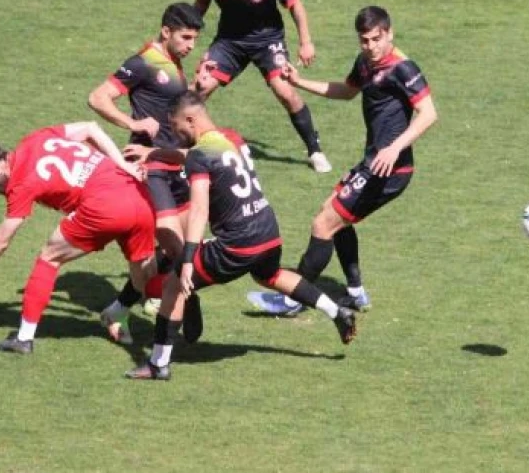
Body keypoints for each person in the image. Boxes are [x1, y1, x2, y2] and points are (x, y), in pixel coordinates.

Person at [125, 91, 357, 380]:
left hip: (238, 245)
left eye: (175, 127)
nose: (174, 134)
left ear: (190, 119)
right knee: (269, 276)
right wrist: (156, 154)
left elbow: (198, 210)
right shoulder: (230, 139)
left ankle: (159, 364)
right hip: (268, 231)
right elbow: (196, 156)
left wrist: (186, 259)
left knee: (173, 284)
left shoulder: (200, 156)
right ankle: (337, 312)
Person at [247, 6, 438, 315]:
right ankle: (356, 292)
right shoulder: (365, 63)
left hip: (390, 169)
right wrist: (299, 82)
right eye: (365, 40)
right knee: (334, 215)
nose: (371, 47)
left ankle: (292, 300)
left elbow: (429, 113)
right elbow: (346, 91)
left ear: (389, 33)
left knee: (323, 224)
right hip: (373, 164)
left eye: (377, 39)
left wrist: (395, 148)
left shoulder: (403, 68)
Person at [0, 121, 155, 354]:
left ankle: (24, 338)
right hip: (139, 194)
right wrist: (122, 163)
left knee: (49, 258)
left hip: (103, 207)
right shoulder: (35, 139)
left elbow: (0, 241)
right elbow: (91, 128)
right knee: (142, 276)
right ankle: (122, 312)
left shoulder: (20, 183)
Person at [88, 2, 204, 333]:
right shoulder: (142, 63)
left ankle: (134, 302)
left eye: (194, 39)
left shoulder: (173, 62)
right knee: (174, 242)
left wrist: (196, 87)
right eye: (185, 37)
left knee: (179, 241)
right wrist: (133, 120)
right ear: (166, 31)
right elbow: (98, 98)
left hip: (173, 163)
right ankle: (136, 304)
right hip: (152, 167)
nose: (190, 46)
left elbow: (173, 108)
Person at [192, 0, 332, 173]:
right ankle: (184, 147)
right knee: (199, 90)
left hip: (268, 41)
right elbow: (199, 8)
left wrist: (306, 41)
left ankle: (314, 150)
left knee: (285, 91)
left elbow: (295, 5)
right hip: (230, 42)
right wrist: (189, 35)